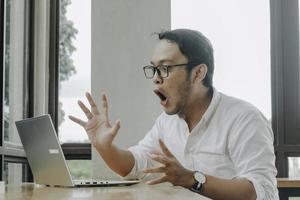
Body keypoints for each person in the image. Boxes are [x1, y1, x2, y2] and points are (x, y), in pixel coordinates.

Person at [69, 29, 278, 200]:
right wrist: (104, 148)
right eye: (154, 69)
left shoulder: (244, 118)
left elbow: (262, 192)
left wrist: (192, 179)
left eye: (165, 68)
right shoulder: (166, 122)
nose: (156, 79)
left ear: (198, 73)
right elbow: (135, 165)